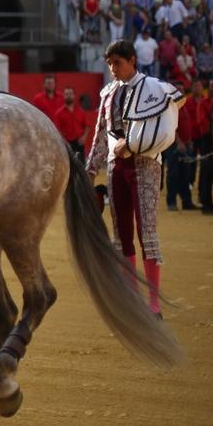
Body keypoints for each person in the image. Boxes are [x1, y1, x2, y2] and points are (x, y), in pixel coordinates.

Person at [85, 40, 183, 318]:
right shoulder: (108, 94)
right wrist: (90, 171)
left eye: (117, 63)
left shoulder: (152, 88)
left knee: (147, 234)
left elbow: (163, 131)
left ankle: (153, 303)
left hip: (146, 164)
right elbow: (100, 135)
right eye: (110, 64)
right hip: (117, 168)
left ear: (131, 60)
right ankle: (132, 299)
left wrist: (132, 145)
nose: (113, 69)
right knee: (122, 234)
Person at [53, 86, 89, 157]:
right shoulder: (59, 113)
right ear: (64, 96)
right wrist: (64, 142)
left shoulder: (80, 111)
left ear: (74, 96)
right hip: (66, 144)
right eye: (66, 94)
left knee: (81, 165)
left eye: (70, 94)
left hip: (79, 143)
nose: (68, 96)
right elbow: (57, 130)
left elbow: (87, 126)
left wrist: (84, 137)